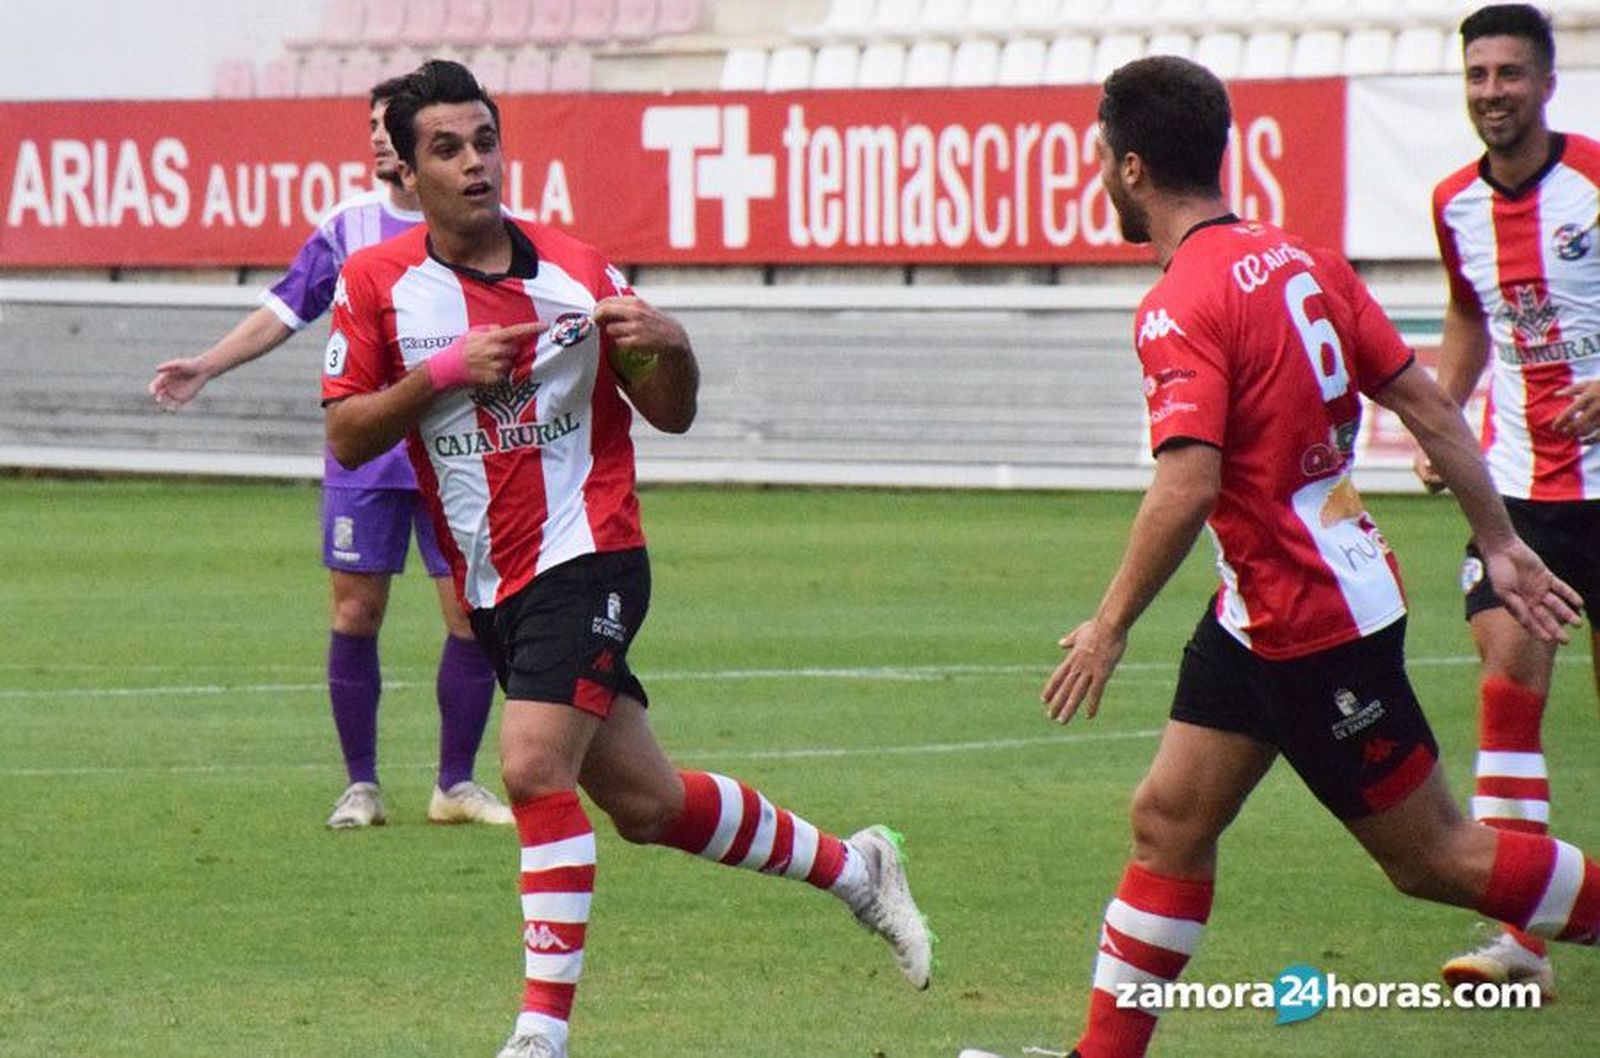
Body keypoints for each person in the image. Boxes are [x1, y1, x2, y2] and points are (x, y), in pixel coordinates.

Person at [968, 56, 1598, 1058]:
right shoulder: (1299, 258)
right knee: (1168, 816)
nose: (1098, 177)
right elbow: (1425, 403)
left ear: (1131, 169)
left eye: (1099, 159)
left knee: (1433, 856)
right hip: (1262, 605)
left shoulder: (1179, 304)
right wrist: (1497, 539)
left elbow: (1187, 484)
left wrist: (1107, 624)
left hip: (1307, 617)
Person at [320, 60, 933, 1058]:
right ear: (406, 168)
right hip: (494, 581)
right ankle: (855, 867)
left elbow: (670, 410)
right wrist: (439, 375)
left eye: (485, 140)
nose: (474, 163)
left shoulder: (575, 271)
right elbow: (347, 436)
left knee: (526, 764)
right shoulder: (377, 286)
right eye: (447, 148)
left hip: (591, 549)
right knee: (646, 803)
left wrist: (673, 343)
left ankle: (537, 1034)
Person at [149, 75, 510, 830]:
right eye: (371, 125)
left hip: (457, 452)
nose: (377, 136)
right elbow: (285, 309)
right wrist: (208, 365)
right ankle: (361, 786)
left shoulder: (489, 229)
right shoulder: (348, 227)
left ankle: (455, 784)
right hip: (369, 452)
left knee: (471, 618)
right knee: (355, 612)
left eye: (388, 124)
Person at [1421, 3, 1600, 995]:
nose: (1492, 91)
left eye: (1509, 74)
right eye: (1477, 75)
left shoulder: (1596, 180)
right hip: (1522, 491)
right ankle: (1516, 938)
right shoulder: (1454, 204)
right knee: (1506, 683)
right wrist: (1440, 413)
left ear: (1546, 82)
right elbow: (1465, 312)